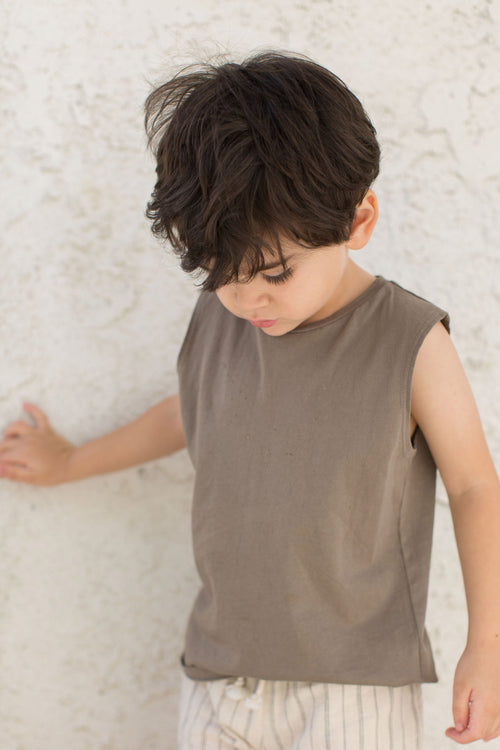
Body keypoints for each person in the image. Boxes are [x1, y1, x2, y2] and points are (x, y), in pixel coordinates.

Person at [1, 51, 500, 749]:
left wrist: (488, 644)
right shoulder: (221, 316)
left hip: (352, 690)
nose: (248, 299)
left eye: (273, 273)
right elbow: (190, 410)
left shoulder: (408, 340)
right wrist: (71, 461)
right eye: (220, 273)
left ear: (359, 221)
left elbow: (476, 485)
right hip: (220, 676)